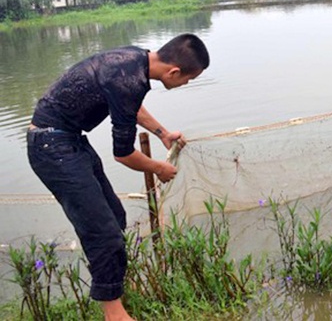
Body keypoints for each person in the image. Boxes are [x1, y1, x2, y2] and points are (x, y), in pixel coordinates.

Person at [26, 33, 210, 321]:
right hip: (52, 148)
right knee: (104, 233)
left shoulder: (136, 60)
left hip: (69, 140)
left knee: (115, 216)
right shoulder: (130, 80)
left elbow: (130, 104)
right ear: (174, 71)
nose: (185, 84)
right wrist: (159, 168)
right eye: (188, 79)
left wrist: (162, 134)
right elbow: (123, 155)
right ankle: (114, 313)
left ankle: (114, 289)